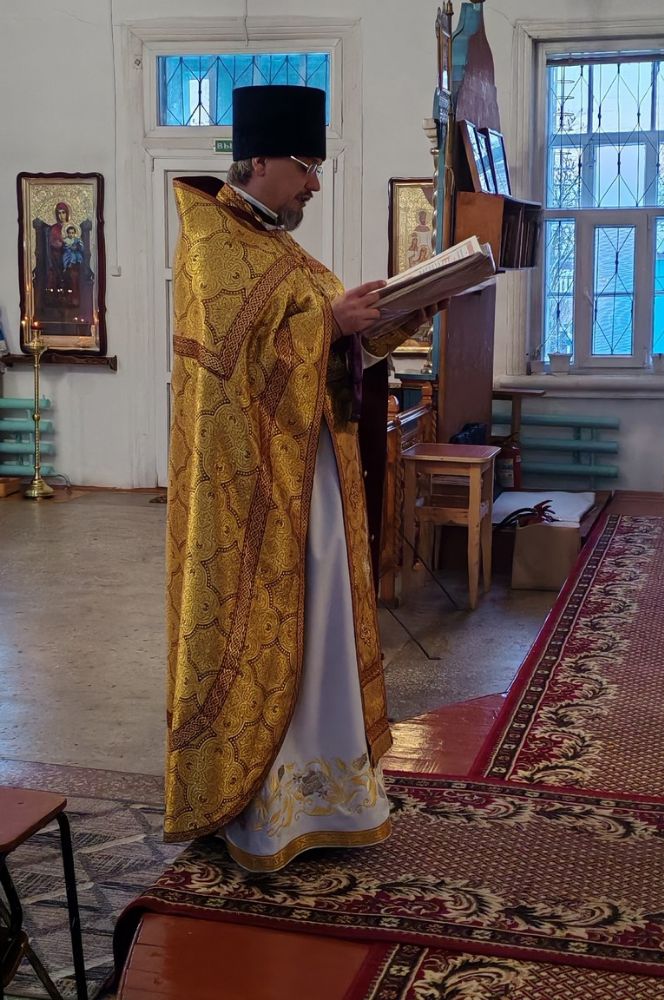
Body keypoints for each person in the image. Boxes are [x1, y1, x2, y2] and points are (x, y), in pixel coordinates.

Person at [164, 84, 441, 872]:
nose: (315, 184)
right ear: (259, 160)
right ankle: (264, 811)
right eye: (306, 166)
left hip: (314, 478)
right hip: (251, 493)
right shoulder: (212, 246)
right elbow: (232, 372)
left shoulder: (278, 247)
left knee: (321, 629)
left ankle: (331, 797)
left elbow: (322, 349)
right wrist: (331, 322)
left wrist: (403, 311)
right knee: (271, 635)